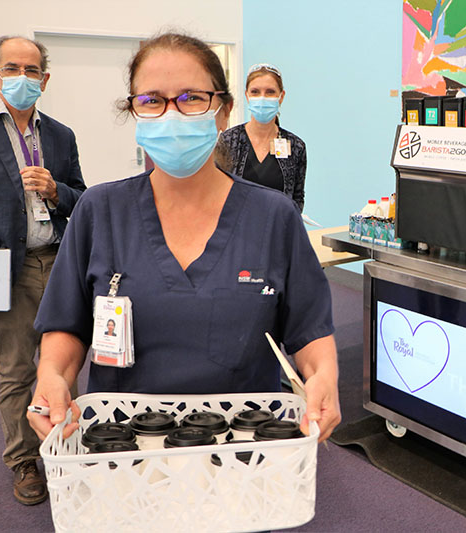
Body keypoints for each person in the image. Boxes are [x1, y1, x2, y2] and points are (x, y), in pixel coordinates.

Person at [27, 33, 340, 447]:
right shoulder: (100, 211)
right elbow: (66, 327)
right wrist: (51, 377)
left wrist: (324, 377)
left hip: (243, 447)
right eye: (152, 100)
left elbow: (309, 331)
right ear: (134, 111)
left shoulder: (273, 217)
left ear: (223, 111)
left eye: (192, 97)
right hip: (125, 447)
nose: (171, 114)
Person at [0, 36, 87, 505]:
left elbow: (82, 197)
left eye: (32, 70)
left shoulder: (60, 134)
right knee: (14, 369)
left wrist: (57, 190)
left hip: (56, 260)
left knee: (65, 367)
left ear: (45, 79)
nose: (22, 77)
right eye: (12, 68)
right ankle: (23, 462)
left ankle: (65, 452)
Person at [216, 63, 307, 212]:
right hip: (237, 231)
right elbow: (217, 193)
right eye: (255, 92)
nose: (262, 98)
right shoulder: (229, 140)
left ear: (281, 96)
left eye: (270, 92)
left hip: (278, 230)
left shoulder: (295, 146)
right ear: (247, 95)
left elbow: (297, 199)